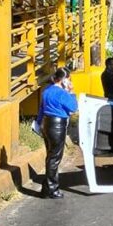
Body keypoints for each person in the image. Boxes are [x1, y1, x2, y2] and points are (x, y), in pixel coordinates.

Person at [36, 67, 77, 199]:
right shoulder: (62, 94)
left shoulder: (47, 91)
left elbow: (41, 109)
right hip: (58, 125)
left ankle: (46, 186)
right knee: (55, 159)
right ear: (64, 80)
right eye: (69, 79)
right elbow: (73, 107)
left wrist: (38, 123)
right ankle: (52, 189)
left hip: (46, 124)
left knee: (50, 156)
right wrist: (71, 91)